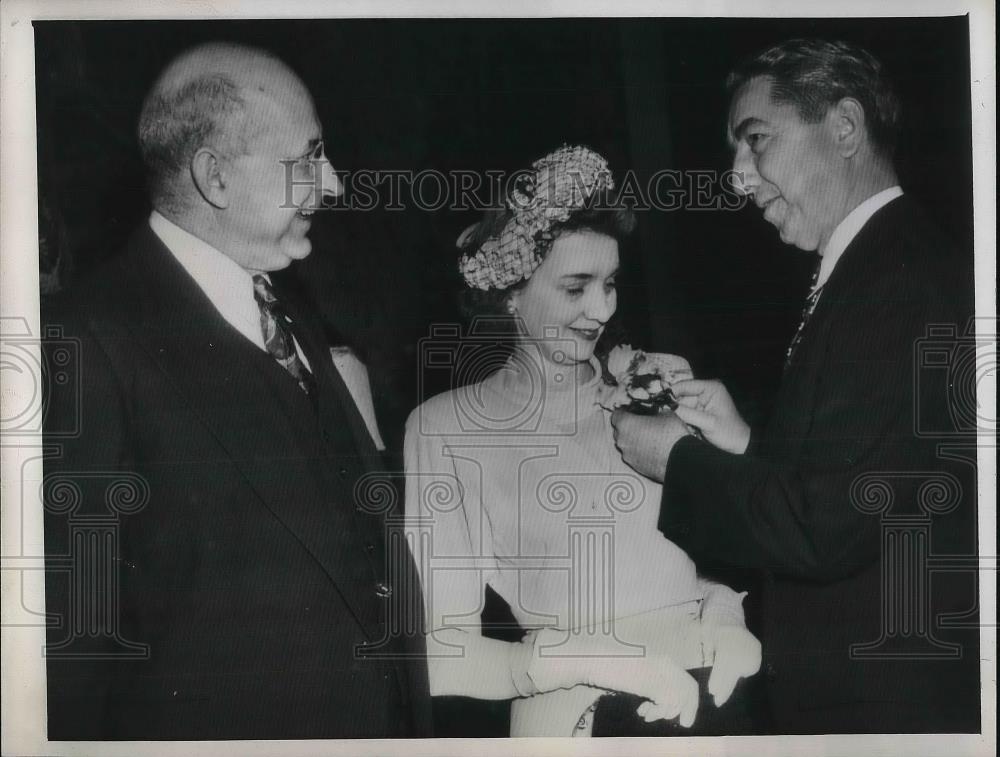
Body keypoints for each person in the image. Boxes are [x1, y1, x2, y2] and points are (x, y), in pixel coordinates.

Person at [42, 42, 430, 739]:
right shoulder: (80, 343)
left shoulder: (291, 313)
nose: (332, 183)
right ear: (216, 177)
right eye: (308, 158)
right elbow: (71, 661)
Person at [611, 39, 979, 733]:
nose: (737, 177)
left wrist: (678, 460)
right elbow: (862, 480)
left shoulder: (896, 281)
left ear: (843, 127)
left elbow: (824, 529)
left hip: (884, 707)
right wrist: (742, 437)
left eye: (756, 142)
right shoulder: (879, 265)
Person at [404, 145, 761, 737]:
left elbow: (671, 563)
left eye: (611, 284)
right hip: (572, 720)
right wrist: (600, 660)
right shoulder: (446, 427)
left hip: (707, 703)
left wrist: (724, 611)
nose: (601, 311)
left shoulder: (657, 386)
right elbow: (441, 656)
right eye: (576, 288)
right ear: (510, 293)